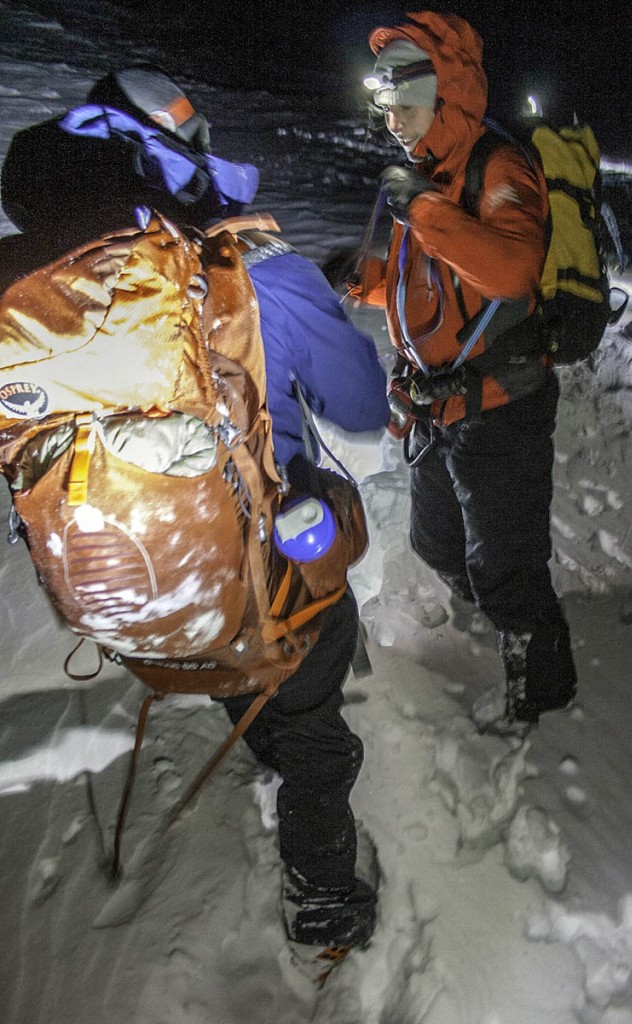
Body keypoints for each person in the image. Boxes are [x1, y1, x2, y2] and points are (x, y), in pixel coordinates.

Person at [0, 66, 390, 951]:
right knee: (313, 631)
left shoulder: (36, 290)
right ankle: (323, 895)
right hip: (254, 600)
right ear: (186, 151)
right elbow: (363, 408)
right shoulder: (255, 266)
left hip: (129, 615)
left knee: (228, 595)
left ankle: (246, 713)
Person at [352, 12, 577, 731]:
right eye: (385, 111)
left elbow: (510, 270)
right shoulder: (424, 175)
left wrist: (422, 210)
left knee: (506, 565)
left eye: (406, 108)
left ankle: (537, 689)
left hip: (501, 403)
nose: (393, 125)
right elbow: (421, 285)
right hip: (436, 405)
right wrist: (358, 281)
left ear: (446, 94)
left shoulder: (495, 168)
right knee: (438, 543)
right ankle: (499, 617)